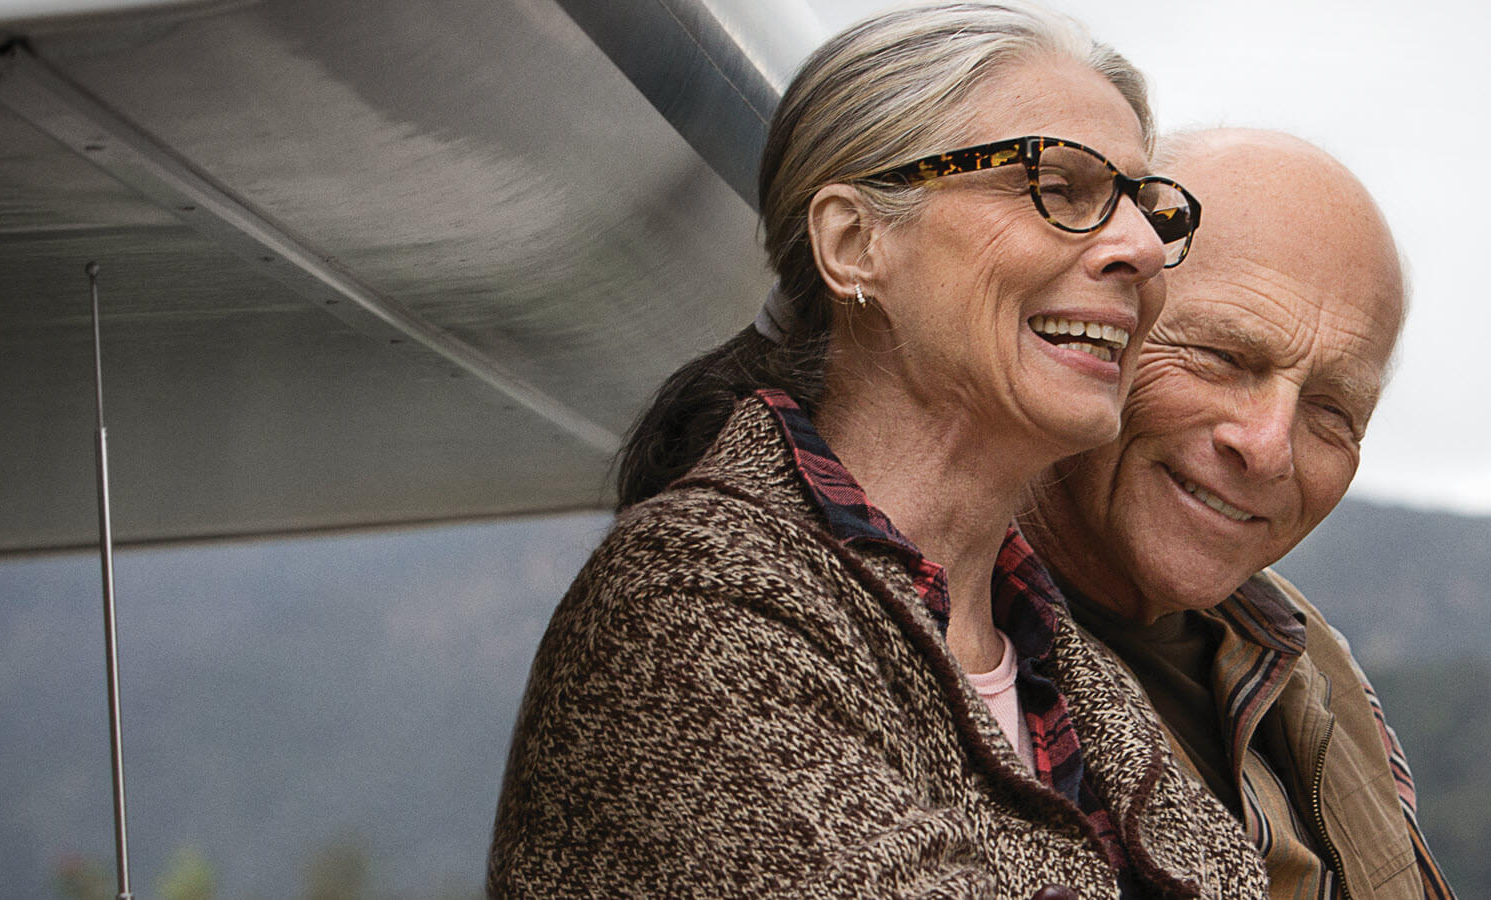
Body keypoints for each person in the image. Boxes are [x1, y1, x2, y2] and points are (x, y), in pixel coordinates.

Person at [487, 4, 1264, 898]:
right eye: (1060, 186)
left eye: (1144, 205)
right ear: (855, 244)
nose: (1140, 249)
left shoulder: (1071, 671)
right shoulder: (698, 600)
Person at [1024, 129, 1453, 900]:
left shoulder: (1306, 656)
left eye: (1331, 410)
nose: (1269, 447)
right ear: (1097, 325)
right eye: (1224, 357)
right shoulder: (946, 642)